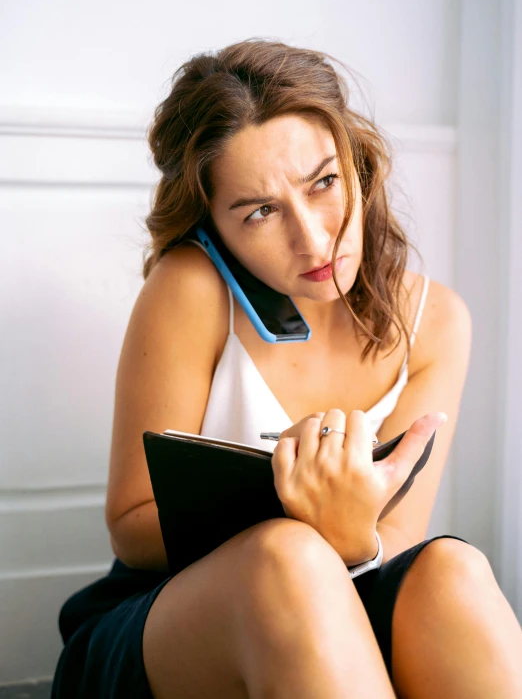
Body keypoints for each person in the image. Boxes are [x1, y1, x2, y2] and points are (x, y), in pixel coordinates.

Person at [51, 38, 522, 698]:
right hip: (168, 621)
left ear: (358, 163)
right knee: (289, 558)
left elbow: (391, 540)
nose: (313, 237)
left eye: (324, 182)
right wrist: (297, 509)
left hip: (349, 595)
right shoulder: (191, 286)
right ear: (214, 224)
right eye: (261, 211)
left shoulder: (439, 322)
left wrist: (346, 532)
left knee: (453, 569)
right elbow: (131, 525)